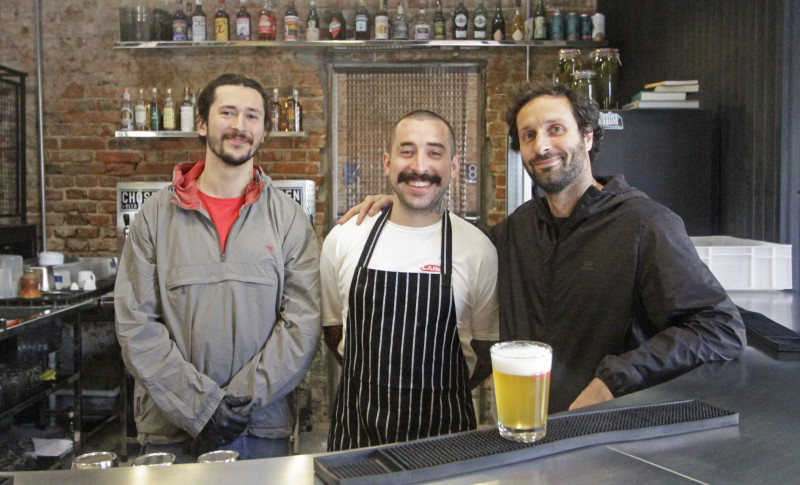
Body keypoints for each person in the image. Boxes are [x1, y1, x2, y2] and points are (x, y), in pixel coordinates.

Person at [340, 82, 746, 415]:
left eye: (556, 129)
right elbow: (455, 243)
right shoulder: (518, 229)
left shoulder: (646, 224)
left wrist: (614, 379)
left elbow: (719, 328)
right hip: (529, 429)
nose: (542, 146)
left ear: (587, 136)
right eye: (529, 135)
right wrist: (406, 200)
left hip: (612, 433)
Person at [114, 73, 321, 462]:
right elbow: (135, 325)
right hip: (172, 432)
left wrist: (238, 403)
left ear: (264, 132)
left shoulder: (290, 220)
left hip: (260, 428)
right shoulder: (154, 218)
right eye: (228, 113)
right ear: (202, 123)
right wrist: (201, 407)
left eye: (252, 116)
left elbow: (302, 325)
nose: (240, 126)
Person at [322, 110, 499, 451]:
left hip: (446, 440)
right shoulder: (344, 238)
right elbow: (334, 334)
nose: (420, 166)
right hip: (356, 439)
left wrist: (444, 392)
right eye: (407, 151)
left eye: (435, 152)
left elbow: (486, 352)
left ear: (454, 166)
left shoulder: (478, 250)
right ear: (387, 163)